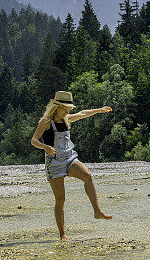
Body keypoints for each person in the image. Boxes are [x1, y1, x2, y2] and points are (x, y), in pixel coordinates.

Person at [30, 90, 113, 240]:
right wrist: (45, 147)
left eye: (68, 109)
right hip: (54, 163)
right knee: (60, 199)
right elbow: (34, 140)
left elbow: (82, 114)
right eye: (65, 109)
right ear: (56, 107)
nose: (67, 112)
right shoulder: (45, 121)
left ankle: (97, 211)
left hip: (69, 159)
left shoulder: (66, 119)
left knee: (87, 176)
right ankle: (62, 234)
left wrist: (99, 110)